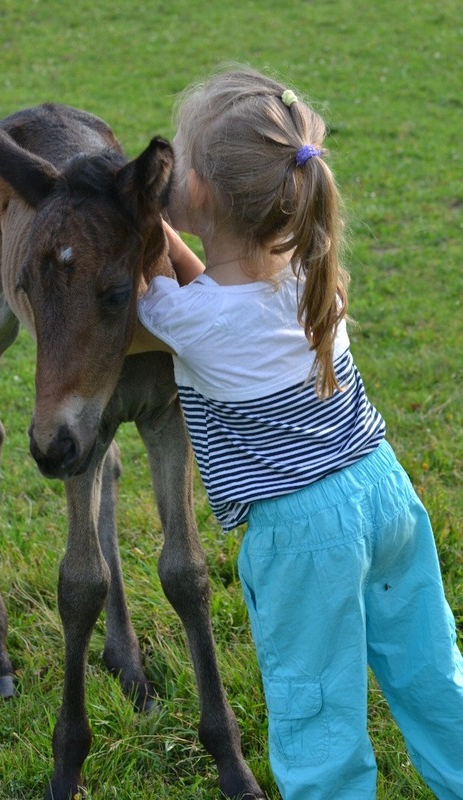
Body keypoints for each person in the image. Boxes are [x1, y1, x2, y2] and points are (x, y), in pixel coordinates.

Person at [128, 66, 463, 800]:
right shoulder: (313, 268)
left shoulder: (192, 321)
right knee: (431, 671)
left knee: (316, 710)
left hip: (303, 529)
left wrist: (135, 210)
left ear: (203, 196)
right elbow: (207, 283)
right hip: (384, 488)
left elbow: (152, 278)